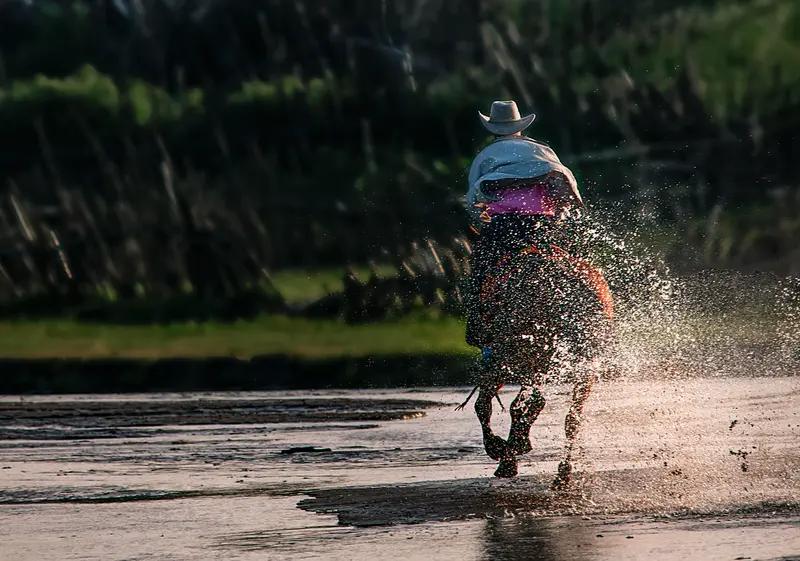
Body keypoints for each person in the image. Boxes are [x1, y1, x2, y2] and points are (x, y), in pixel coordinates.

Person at [463, 100, 613, 478]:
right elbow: (568, 191)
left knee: (480, 275)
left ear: (492, 127)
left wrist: (485, 212)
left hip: (502, 233)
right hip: (544, 229)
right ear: (520, 125)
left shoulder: (487, 156)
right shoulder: (542, 152)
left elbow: (473, 202)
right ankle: (595, 328)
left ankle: (480, 328)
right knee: (572, 264)